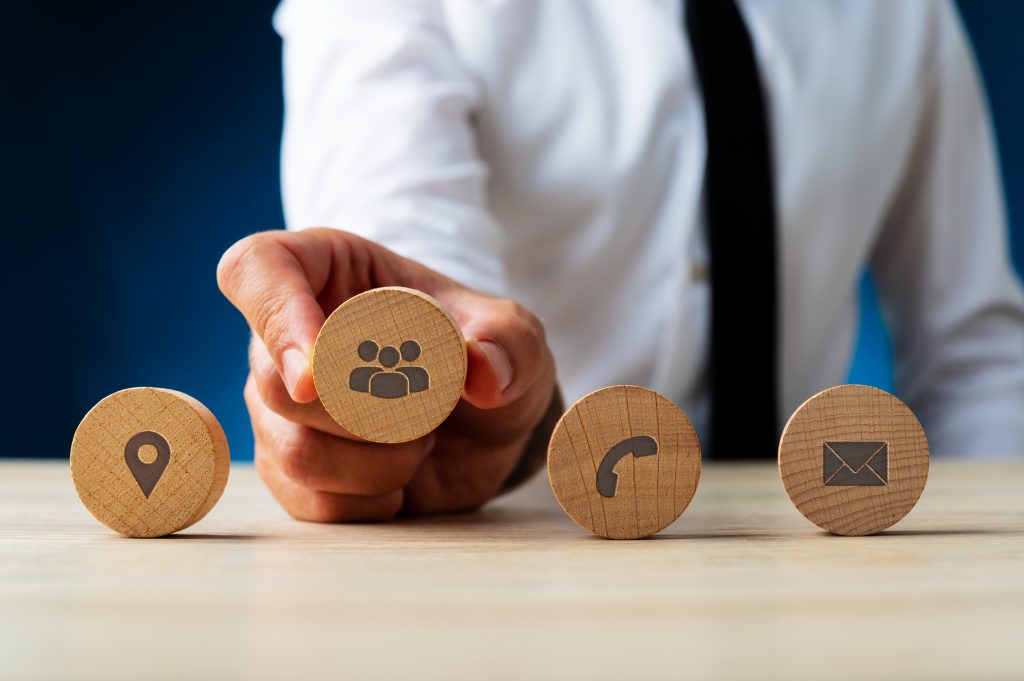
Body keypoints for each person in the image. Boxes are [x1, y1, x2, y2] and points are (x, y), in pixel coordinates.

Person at [217, 0, 1024, 523]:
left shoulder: (904, 16)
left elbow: (975, 357)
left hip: (815, 543)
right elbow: (417, 284)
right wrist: (426, 411)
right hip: (526, 547)